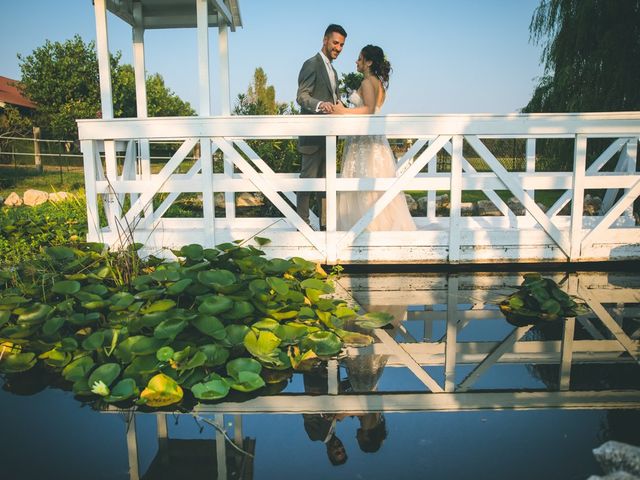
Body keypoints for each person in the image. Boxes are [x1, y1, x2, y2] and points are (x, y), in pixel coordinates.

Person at [332, 45, 416, 232]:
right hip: (375, 139)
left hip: (364, 140)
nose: (356, 61)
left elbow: (369, 110)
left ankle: (367, 227)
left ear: (369, 62)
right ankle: (375, 224)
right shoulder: (378, 83)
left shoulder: (367, 82)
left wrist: (342, 111)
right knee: (375, 180)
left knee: (364, 179)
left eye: (360, 58)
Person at [296, 24, 347, 229]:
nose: (338, 48)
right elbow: (302, 96)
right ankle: (303, 225)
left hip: (329, 136)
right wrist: (319, 105)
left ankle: (325, 226)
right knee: (307, 183)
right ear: (325, 40)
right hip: (312, 135)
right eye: (335, 43)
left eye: (342, 45)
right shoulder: (311, 64)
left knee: (327, 184)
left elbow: (334, 99)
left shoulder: (333, 70)